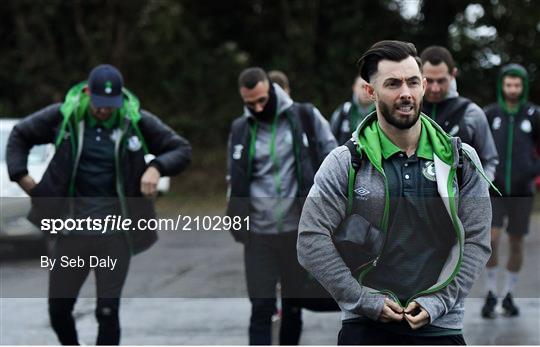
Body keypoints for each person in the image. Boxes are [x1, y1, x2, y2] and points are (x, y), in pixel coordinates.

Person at [297, 40, 492, 345]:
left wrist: (438, 302)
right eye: (392, 83)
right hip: (366, 326)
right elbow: (310, 239)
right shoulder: (345, 161)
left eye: (413, 82)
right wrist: (362, 299)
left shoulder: (460, 159)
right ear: (370, 91)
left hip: (441, 327)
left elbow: (477, 239)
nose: (405, 93)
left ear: (424, 86)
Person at [6, 64, 192, 345]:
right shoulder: (65, 117)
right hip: (70, 232)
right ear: (87, 93)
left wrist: (156, 167)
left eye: (111, 105)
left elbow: (181, 149)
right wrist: (22, 176)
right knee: (59, 310)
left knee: (107, 311)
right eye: (99, 104)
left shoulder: (133, 121)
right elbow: (20, 134)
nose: (105, 111)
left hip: (115, 235)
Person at [226, 67, 336, 345]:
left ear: (272, 91)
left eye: (262, 100)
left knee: (293, 306)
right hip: (258, 235)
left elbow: (333, 158)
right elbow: (234, 177)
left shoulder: (305, 116)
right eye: (250, 104)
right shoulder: (241, 128)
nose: (258, 108)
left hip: (297, 231)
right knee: (261, 307)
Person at [481, 63, 540, 318]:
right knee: (491, 240)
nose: (513, 89)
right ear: (502, 86)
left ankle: (509, 295)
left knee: (516, 243)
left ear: (523, 86)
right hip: (494, 189)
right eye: (508, 84)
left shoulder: (534, 114)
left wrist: (533, 172)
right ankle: (492, 292)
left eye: (517, 85)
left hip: (523, 191)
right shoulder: (490, 114)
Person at [420, 45, 498, 181]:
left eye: (441, 80)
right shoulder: (407, 110)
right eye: (429, 80)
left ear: (453, 74)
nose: (435, 88)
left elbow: (489, 161)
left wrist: (477, 193)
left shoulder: (471, 113)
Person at [330, 76, 375, 145]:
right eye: (363, 87)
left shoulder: (381, 112)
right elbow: (331, 138)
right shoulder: (344, 110)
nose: (366, 91)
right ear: (354, 88)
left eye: (370, 87)